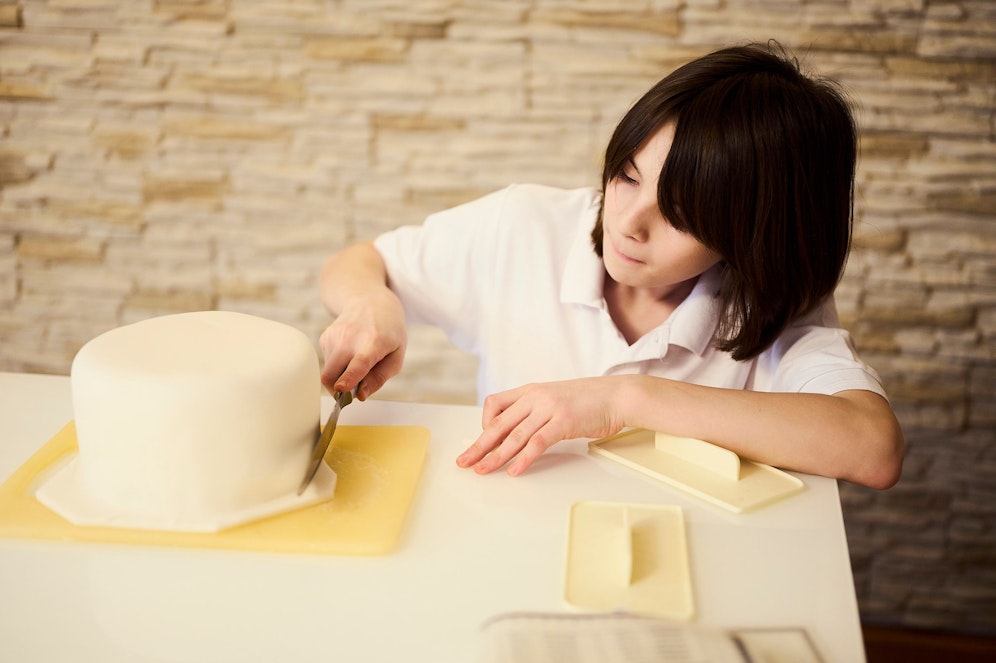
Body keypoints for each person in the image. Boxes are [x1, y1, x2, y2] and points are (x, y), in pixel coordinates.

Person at [317, 42, 905, 489]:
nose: (629, 223)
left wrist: (624, 399)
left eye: (681, 215)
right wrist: (371, 301)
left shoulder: (768, 300)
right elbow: (361, 261)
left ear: (750, 235)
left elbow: (873, 447)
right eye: (626, 176)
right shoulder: (526, 227)